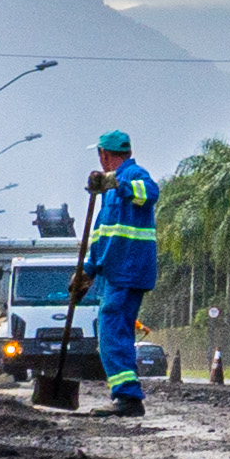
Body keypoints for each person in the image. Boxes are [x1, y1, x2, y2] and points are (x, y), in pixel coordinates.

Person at [74, 130, 161, 414]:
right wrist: (87, 271)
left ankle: (127, 397)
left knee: (112, 331)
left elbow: (150, 193)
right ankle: (125, 395)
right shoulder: (108, 195)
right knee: (113, 331)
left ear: (104, 154)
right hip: (115, 272)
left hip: (129, 270)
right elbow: (100, 235)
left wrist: (114, 182)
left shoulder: (135, 174)